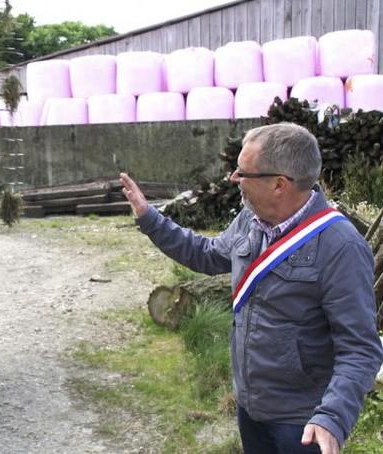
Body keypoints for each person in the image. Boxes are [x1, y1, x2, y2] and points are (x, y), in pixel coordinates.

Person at [120, 122, 383, 454]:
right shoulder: (249, 221)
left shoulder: (340, 246)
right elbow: (206, 254)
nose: (233, 180)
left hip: (303, 424)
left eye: (243, 173)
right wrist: (150, 219)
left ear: (279, 184)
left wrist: (332, 418)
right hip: (251, 410)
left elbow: (361, 349)